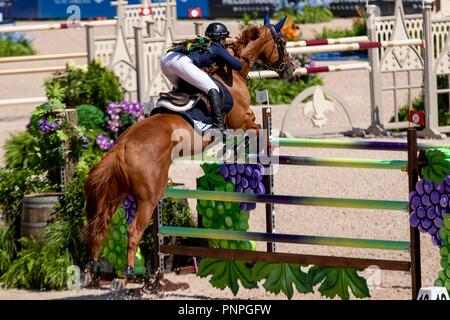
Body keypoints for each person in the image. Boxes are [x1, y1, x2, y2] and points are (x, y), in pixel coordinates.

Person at [160, 22, 243, 135]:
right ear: (221, 38)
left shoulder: (201, 41)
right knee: (213, 88)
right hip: (182, 62)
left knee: (183, 88)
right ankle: (218, 126)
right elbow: (238, 66)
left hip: (166, 59)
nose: (224, 41)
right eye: (224, 38)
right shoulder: (218, 47)